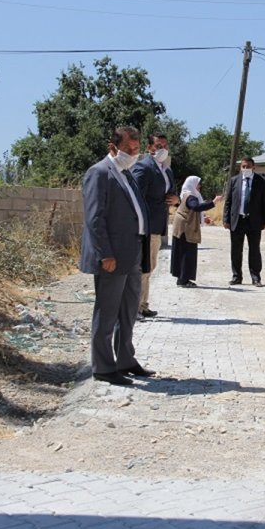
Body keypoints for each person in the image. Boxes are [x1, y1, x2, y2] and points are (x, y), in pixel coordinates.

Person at [79, 126, 153, 386]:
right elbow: (95, 217)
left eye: (137, 149)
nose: (134, 153)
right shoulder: (99, 173)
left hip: (132, 253)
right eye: (129, 149)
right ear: (113, 146)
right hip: (112, 256)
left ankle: (125, 359)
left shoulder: (127, 174)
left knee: (128, 310)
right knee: (107, 311)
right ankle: (103, 366)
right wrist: (105, 253)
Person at [132, 132, 179, 319]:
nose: (163, 149)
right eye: (159, 146)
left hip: (159, 226)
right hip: (146, 226)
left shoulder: (166, 170)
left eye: (165, 146)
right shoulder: (143, 168)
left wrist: (177, 200)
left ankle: (143, 304)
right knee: (142, 268)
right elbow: (137, 198)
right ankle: (133, 308)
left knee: (150, 266)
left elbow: (172, 195)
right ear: (150, 148)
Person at [223, 157, 265, 287]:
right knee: (236, 250)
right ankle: (236, 276)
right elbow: (228, 201)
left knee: (254, 249)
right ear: (240, 168)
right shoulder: (234, 181)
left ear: (253, 167)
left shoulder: (261, 181)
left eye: (248, 166)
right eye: (243, 166)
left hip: (254, 221)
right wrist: (226, 219)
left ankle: (256, 277)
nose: (245, 169)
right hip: (237, 220)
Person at [170, 176, 222, 287]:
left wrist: (204, 218)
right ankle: (183, 280)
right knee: (186, 253)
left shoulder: (186, 194)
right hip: (186, 229)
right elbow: (196, 207)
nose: (199, 186)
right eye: (198, 184)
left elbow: (193, 210)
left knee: (183, 253)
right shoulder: (190, 197)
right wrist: (213, 202)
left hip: (182, 228)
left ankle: (182, 279)